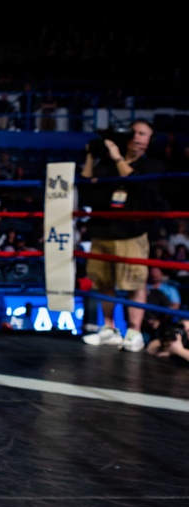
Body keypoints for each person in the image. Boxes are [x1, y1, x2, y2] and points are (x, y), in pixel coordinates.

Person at [79, 119, 167, 352]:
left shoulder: (152, 165)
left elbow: (136, 185)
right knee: (103, 281)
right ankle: (108, 329)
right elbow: (87, 186)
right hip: (103, 230)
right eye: (133, 133)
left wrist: (117, 157)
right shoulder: (108, 163)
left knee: (135, 282)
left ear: (150, 140)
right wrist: (91, 155)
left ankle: (134, 331)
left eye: (142, 134)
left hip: (132, 232)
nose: (136, 137)